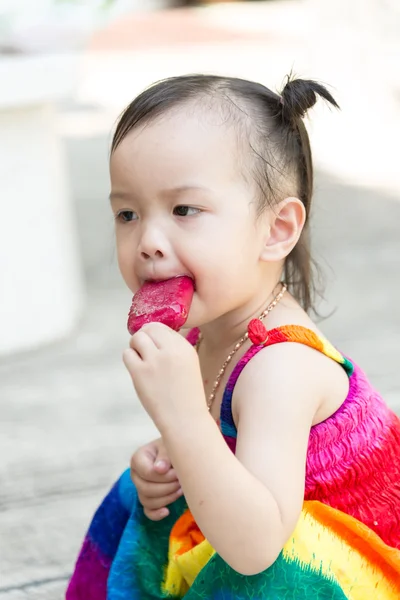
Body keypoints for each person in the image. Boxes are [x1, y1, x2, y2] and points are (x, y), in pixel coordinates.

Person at [66, 74, 400, 599]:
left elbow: (256, 546)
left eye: (184, 210)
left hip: (349, 564)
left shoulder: (281, 367)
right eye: (127, 214)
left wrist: (181, 416)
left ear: (276, 230)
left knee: (270, 573)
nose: (148, 241)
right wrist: (166, 452)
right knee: (141, 494)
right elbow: (225, 445)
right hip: (258, 523)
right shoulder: (209, 330)